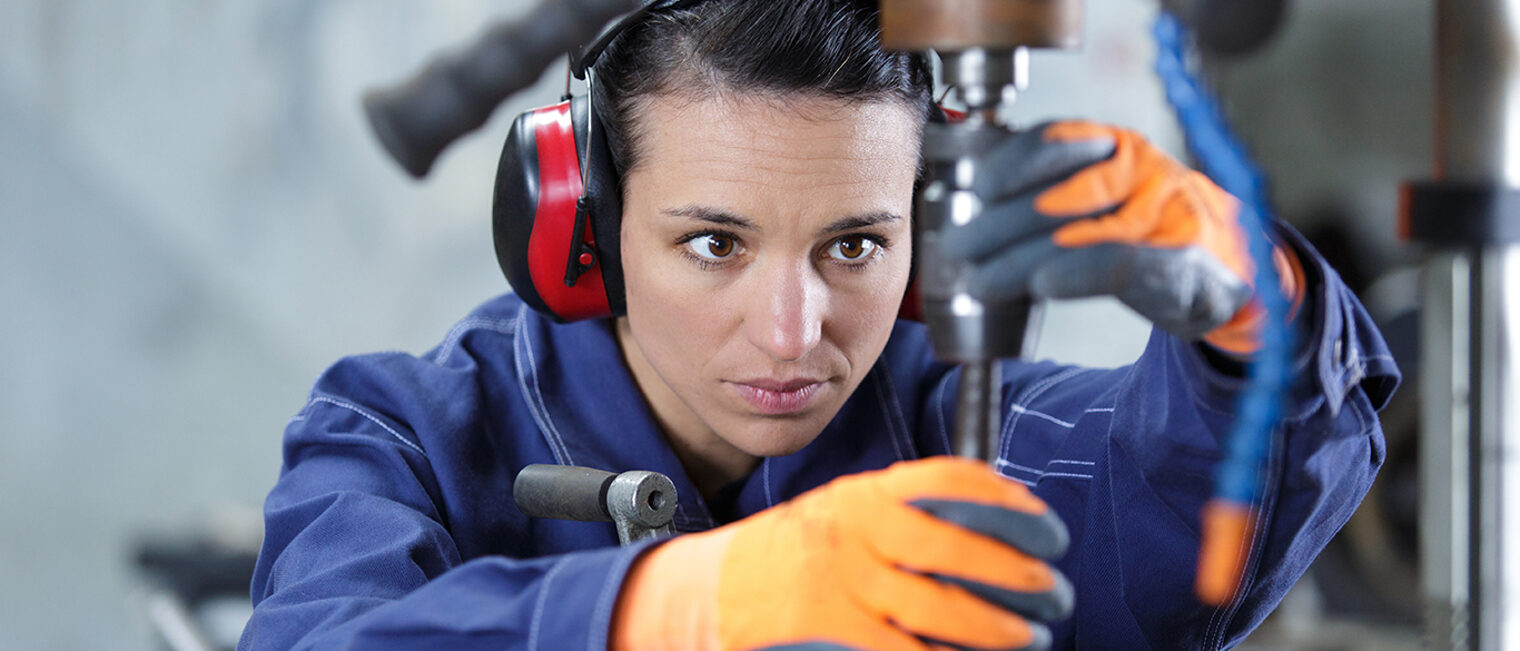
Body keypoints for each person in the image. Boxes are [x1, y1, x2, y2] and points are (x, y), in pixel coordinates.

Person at [239, 1, 1399, 649]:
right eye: (714, 244)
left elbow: (1176, 525)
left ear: (926, 243)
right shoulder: (401, 433)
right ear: (583, 227)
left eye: (852, 246)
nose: (793, 335)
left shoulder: (950, 421)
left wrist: (1251, 312)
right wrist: (680, 607)